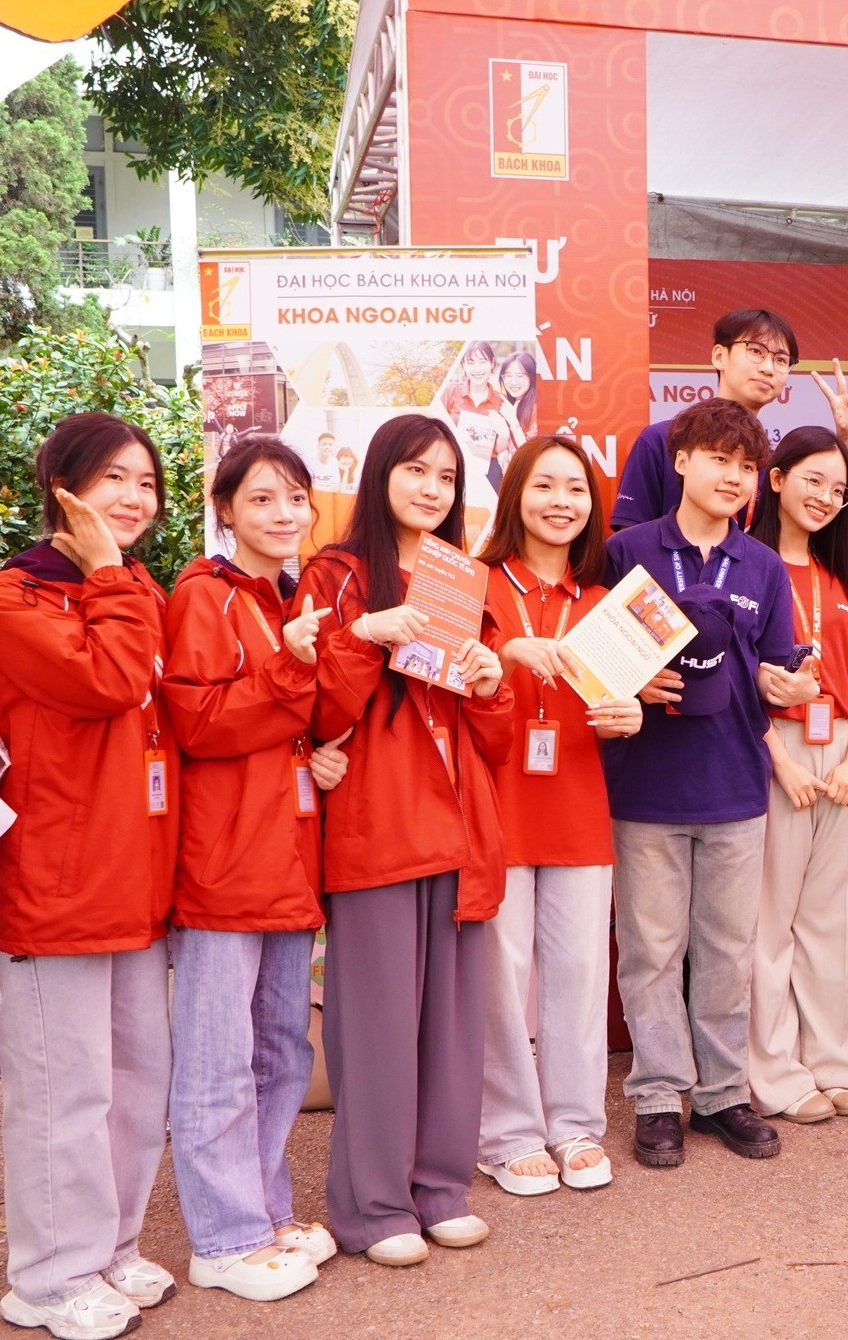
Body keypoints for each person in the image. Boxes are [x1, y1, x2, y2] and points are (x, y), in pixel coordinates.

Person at [295, 413, 514, 1266]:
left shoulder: (465, 579)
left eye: (447, 477)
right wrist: (364, 635)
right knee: (379, 1026)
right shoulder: (339, 574)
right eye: (416, 470)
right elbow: (317, 710)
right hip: (376, 827)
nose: (432, 488)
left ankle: (440, 1187)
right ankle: (372, 1205)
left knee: (454, 1027)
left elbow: (489, 735)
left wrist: (493, 682)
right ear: (381, 473)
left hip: (458, 830)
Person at [0, 414, 179, 1340]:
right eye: (112, 478)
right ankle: (43, 1275)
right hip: (55, 887)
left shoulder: (133, 588)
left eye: (145, 481)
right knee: (61, 1091)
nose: (134, 498)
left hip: (135, 880)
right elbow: (109, 683)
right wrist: (110, 572)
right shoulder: (18, 600)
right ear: (62, 488)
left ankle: (106, 1246)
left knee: (135, 1081)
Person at [162, 436, 350, 1301]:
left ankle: (266, 1211)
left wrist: (318, 751)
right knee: (217, 1056)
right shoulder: (202, 594)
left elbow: (287, 717)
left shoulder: (291, 598)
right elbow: (198, 724)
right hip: (224, 861)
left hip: (285, 856)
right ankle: (224, 1235)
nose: (285, 515)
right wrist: (290, 668)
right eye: (264, 499)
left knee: (279, 1046)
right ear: (226, 507)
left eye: (297, 499)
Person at [604, 397, 812, 1168]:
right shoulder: (627, 552)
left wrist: (791, 684)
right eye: (717, 458)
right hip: (646, 788)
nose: (732, 476)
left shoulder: (761, 564)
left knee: (728, 946)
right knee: (652, 950)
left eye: (745, 465)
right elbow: (597, 668)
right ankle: (658, 1095)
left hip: (733, 784)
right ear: (681, 459)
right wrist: (630, 682)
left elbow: (781, 666)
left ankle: (724, 1092)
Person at [474, 436, 641, 1196]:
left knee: (577, 972)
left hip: (577, 801)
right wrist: (508, 654)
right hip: (494, 801)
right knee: (501, 976)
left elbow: (620, 701)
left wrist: (629, 714)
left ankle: (574, 1124)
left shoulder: (610, 603)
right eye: (544, 485)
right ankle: (506, 1132)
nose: (561, 502)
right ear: (515, 496)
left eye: (576, 488)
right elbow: (436, 678)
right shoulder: (473, 583)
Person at [747, 426, 848, 1123]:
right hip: (778, 754)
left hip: (843, 759)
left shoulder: (839, 572)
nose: (826, 497)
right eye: (812, 480)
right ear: (775, 479)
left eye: (838, 487)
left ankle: (841, 1061)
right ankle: (775, 1073)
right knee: (768, 923)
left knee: (840, 921)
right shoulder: (747, 565)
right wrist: (781, 758)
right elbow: (738, 681)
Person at [610, 308, 848, 529]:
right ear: (719, 356)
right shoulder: (661, 440)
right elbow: (630, 542)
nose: (768, 368)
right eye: (756, 351)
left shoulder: (773, 463)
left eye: (781, 360)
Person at [441, 340, 508, 473]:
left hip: (487, 469)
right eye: (471, 362)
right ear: (463, 365)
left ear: (492, 364)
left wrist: (503, 435)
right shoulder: (450, 392)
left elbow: (500, 450)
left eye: (482, 361)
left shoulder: (501, 401)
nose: (477, 369)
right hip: (453, 463)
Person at [489, 351, 537, 492]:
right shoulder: (510, 405)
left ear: (532, 377)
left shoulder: (536, 408)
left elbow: (533, 455)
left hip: (529, 482)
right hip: (512, 480)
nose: (513, 382)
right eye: (508, 376)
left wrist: (513, 423)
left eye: (520, 376)